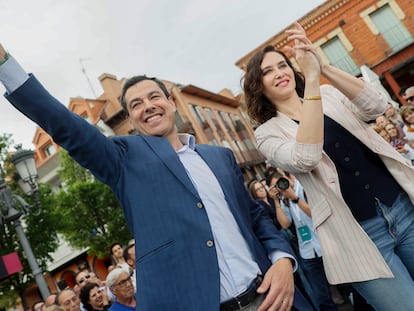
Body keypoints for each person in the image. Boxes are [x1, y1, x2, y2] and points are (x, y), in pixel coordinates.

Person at [0, 43, 312, 310]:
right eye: (135, 105)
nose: (147, 106)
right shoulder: (122, 160)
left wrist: (283, 258)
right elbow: (65, 125)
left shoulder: (220, 157)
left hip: (270, 298)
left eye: (154, 97)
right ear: (131, 121)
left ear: (171, 103)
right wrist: (5, 64)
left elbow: (256, 219)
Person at [243, 22, 414, 310]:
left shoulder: (331, 96)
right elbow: (306, 157)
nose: (279, 73)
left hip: (402, 210)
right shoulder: (267, 133)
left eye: (282, 65)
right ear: (257, 86)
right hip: (357, 238)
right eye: (267, 71)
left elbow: (376, 105)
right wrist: (310, 81)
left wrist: (323, 68)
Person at [267, 171, 337, 311]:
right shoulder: (283, 199)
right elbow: (285, 224)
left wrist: (295, 198)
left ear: (288, 176)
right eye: (276, 186)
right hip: (307, 252)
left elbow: (315, 213)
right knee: (322, 296)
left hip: (327, 245)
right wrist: (276, 201)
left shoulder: (304, 187)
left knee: (350, 283)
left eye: (282, 180)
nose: (282, 185)